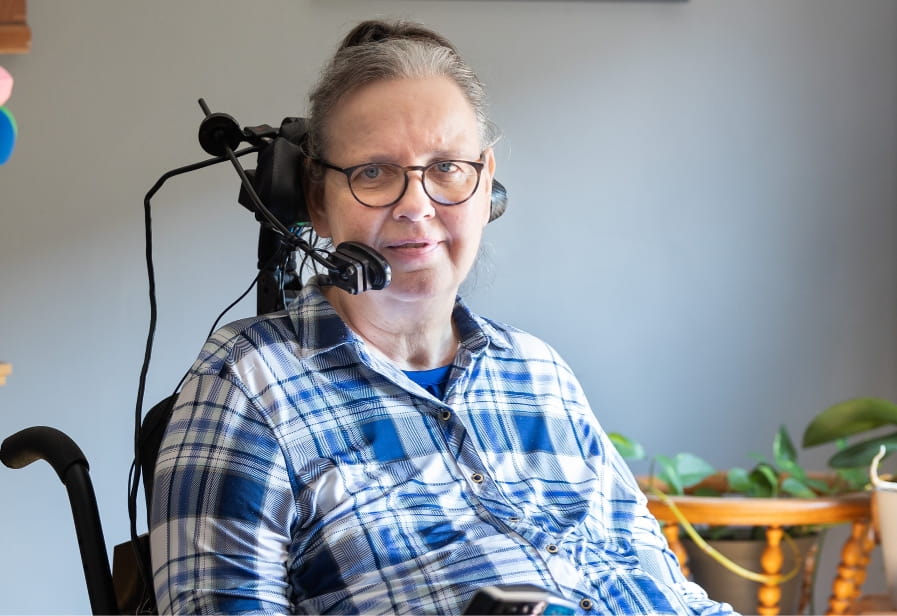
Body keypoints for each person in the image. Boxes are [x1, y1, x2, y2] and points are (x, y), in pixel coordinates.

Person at [149, 18, 734, 615]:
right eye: (373, 172)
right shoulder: (247, 385)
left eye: (446, 168)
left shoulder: (539, 374)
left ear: (487, 189)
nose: (416, 205)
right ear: (317, 200)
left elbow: (673, 591)